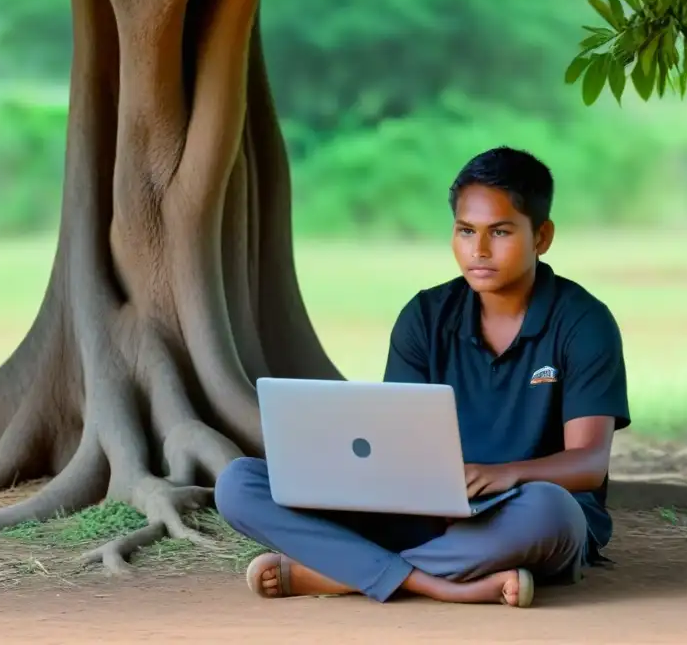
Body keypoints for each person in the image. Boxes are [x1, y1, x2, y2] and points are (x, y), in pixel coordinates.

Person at [216, 146, 631, 607]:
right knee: (238, 484)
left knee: (552, 512)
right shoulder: (425, 316)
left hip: (516, 512)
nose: (479, 250)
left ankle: (339, 574)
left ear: (542, 237)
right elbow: (394, 443)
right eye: (466, 231)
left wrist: (504, 475)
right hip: (420, 509)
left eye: (500, 232)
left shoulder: (584, 323)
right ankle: (437, 582)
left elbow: (588, 464)